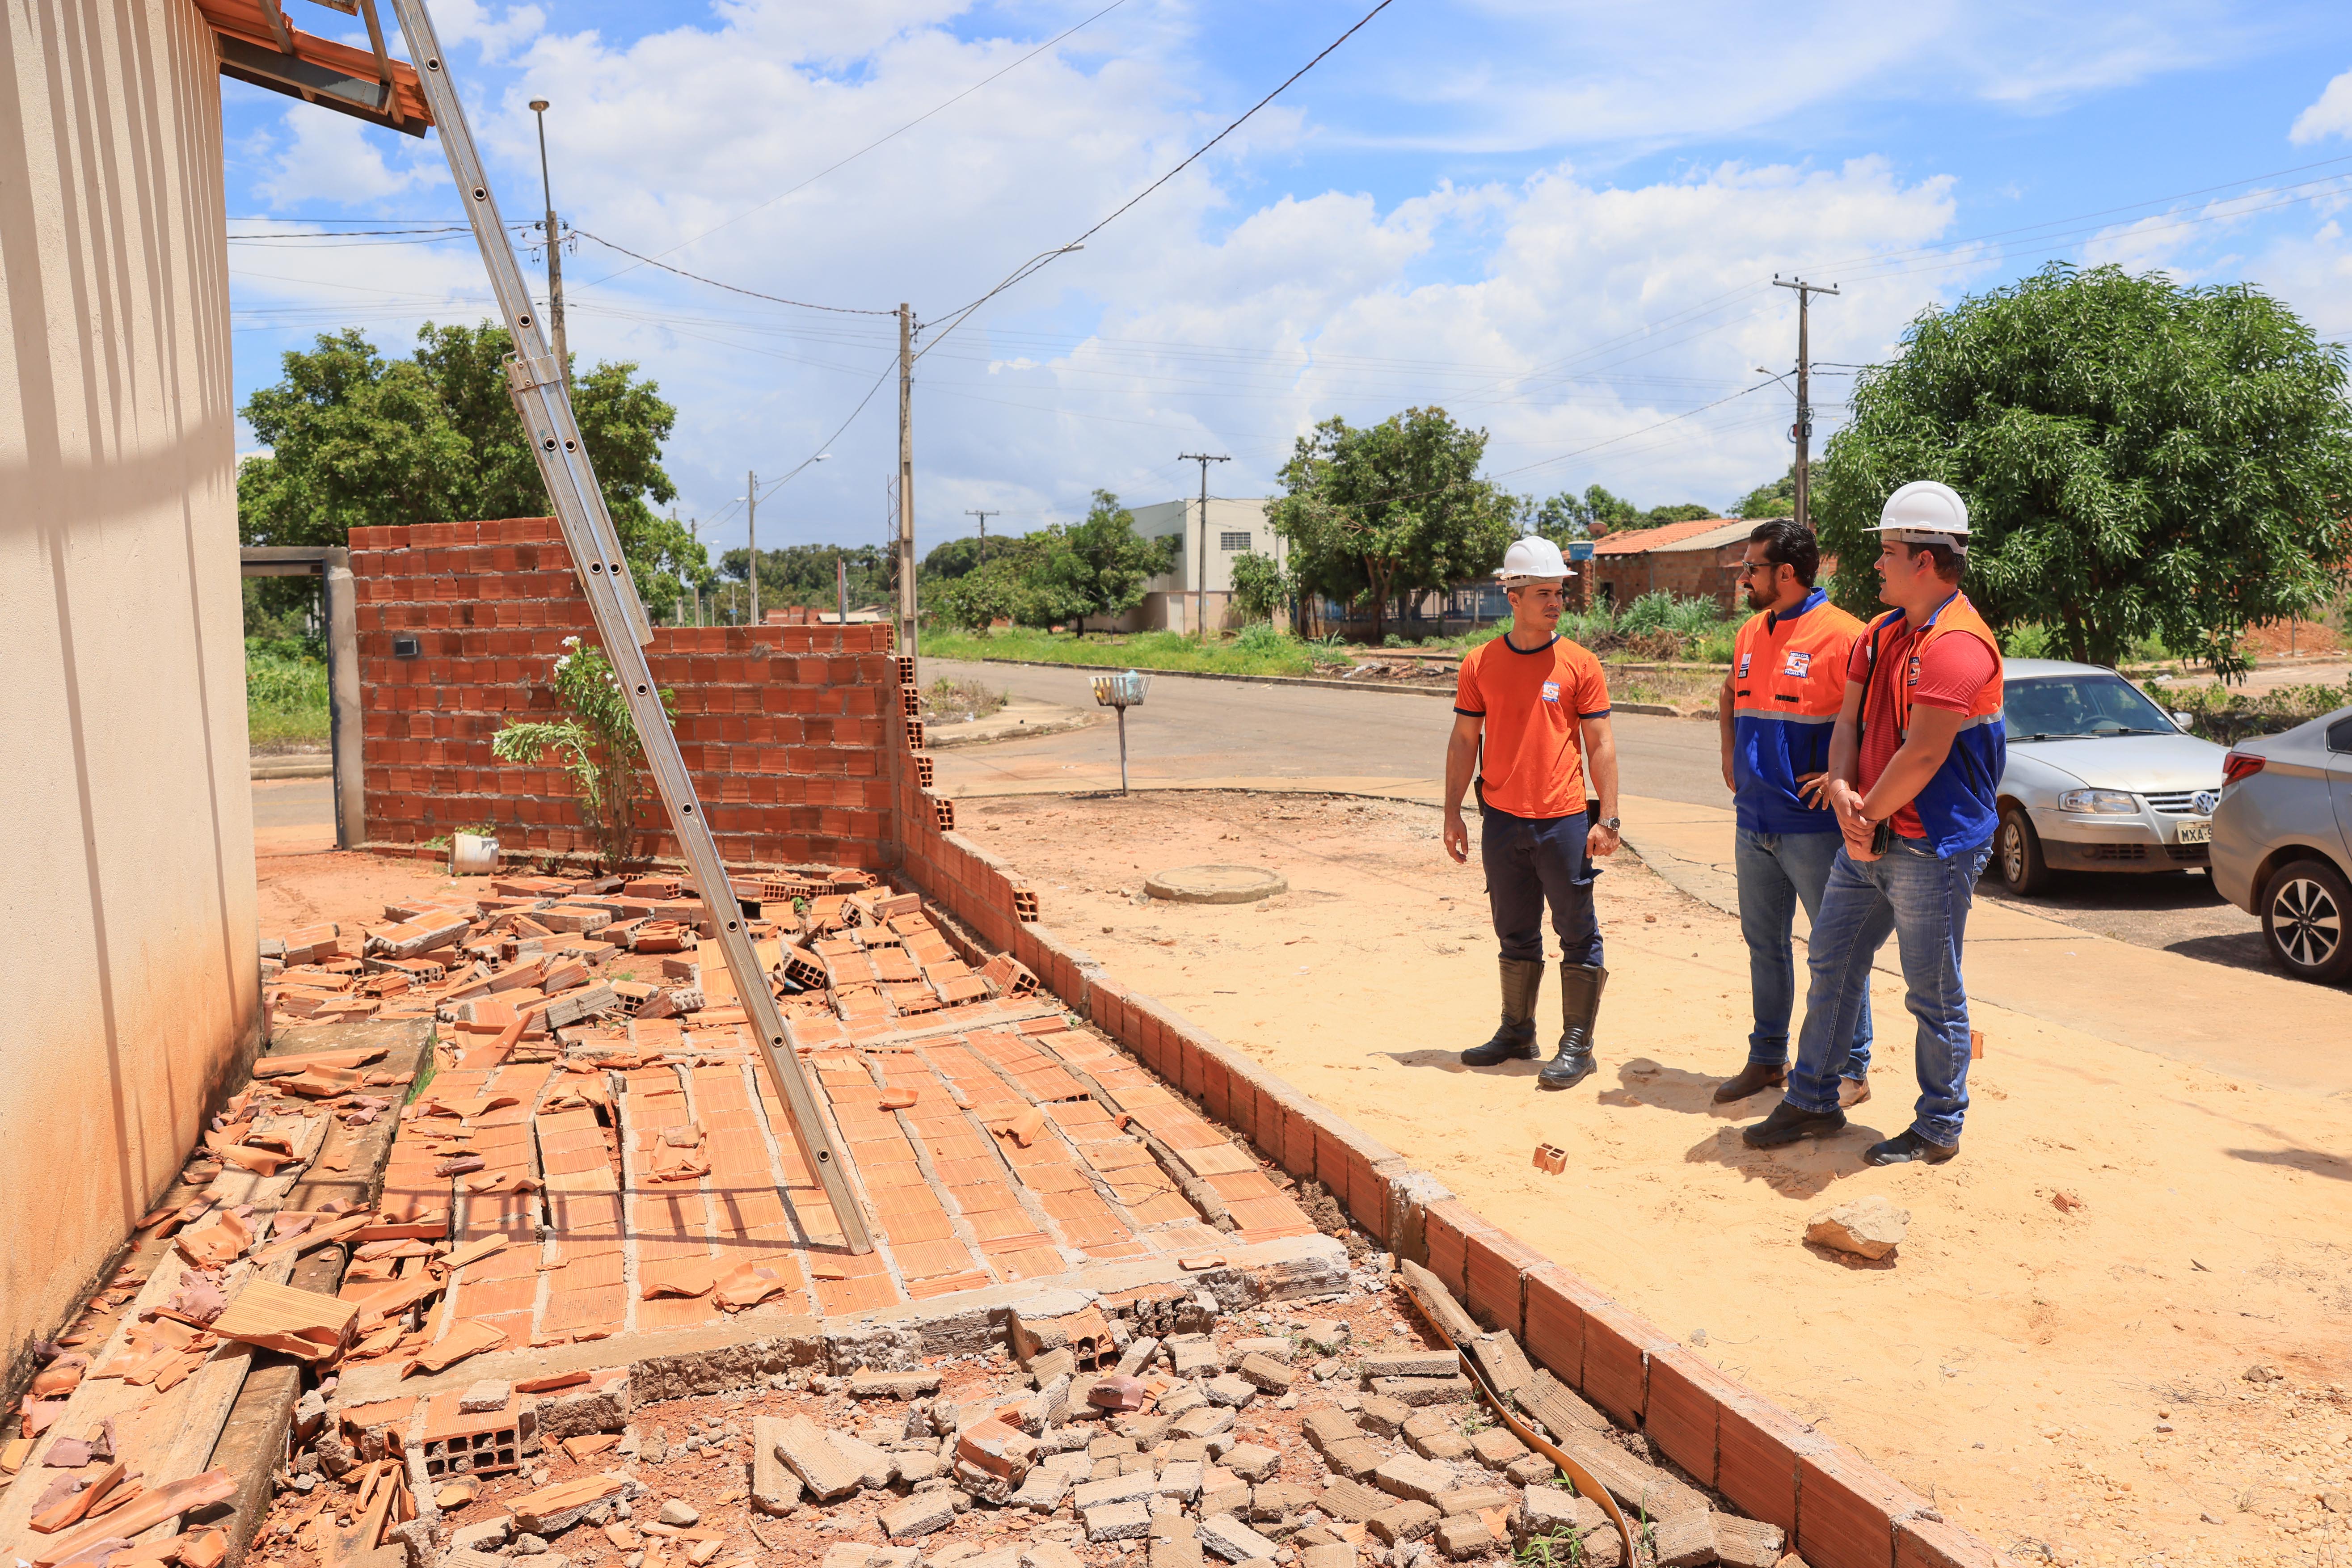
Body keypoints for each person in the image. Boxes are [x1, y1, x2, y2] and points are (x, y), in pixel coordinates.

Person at [1742, 481, 2005, 1166]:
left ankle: (1939, 1123)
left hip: (1931, 847)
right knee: (1830, 959)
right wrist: (1838, 786)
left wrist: (1862, 816)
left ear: (1925, 560)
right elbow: (1848, 723)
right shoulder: (1882, 634)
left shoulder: (1957, 646)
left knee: (1931, 990)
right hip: (1874, 832)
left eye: (1887, 552)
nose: (1876, 565)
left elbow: (1923, 753)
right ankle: (1813, 1098)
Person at [1444, 536, 1623, 1089]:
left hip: (1565, 819)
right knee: (1514, 930)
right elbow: (1463, 739)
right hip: (1501, 819)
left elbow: (1600, 744)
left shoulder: (1579, 663)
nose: (1555, 602)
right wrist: (1452, 813)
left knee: (1576, 931)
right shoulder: (1480, 663)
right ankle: (1517, 1032)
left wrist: (1609, 818)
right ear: (1512, 596)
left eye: (1559, 593)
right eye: (1543, 592)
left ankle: (1578, 1045)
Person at [1714, 520, 1876, 1107]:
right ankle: (1766, 1059)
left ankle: (1852, 1069)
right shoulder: (1749, 632)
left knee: (1834, 951)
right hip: (1752, 819)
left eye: (1750, 567)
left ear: (1785, 572)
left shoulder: (1846, 637)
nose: (1742, 577)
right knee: (1765, 945)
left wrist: (1844, 778)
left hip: (1814, 829)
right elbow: (1730, 696)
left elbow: (1880, 721)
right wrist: (1729, 753)